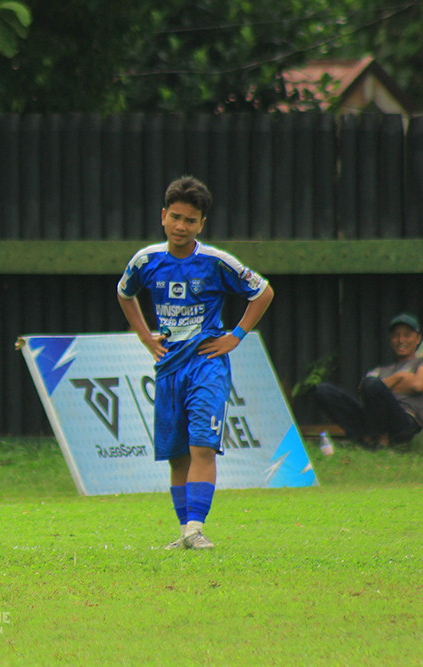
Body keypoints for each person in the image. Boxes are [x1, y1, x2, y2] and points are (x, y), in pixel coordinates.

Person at [117, 176, 274, 550]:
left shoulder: (217, 262)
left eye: (190, 220)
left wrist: (235, 336)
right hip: (169, 367)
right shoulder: (146, 260)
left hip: (206, 364)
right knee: (176, 455)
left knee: (202, 446)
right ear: (163, 216)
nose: (181, 226)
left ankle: (195, 528)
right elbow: (124, 293)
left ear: (201, 224)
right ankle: (184, 530)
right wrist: (144, 335)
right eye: (175, 217)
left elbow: (263, 292)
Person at [313, 312, 423, 448]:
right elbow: (363, 391)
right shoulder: (381, 369)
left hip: (403, 421)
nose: (401, 340)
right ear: (390, 339)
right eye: (396, 336)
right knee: (323, 391)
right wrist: (400, 377)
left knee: (373, 385)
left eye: (407, 335)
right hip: (372, 417)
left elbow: (418, 385)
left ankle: (377, 438)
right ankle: (369, 438)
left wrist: (383, 387)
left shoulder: (420, 363)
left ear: (418, 339)